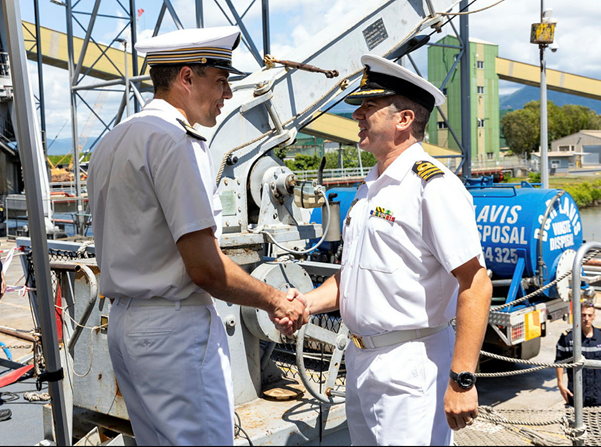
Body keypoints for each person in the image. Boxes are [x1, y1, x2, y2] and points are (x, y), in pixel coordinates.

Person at [87, 27, 308, 446]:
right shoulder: (176, 142)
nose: (227, 95)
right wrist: (277, 298)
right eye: (221, 81)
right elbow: (206, 268)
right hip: (174, 333)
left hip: (125, 325)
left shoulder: (113, 141)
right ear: (187, 78)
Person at [299, 54, 492, 446]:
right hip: (360, 360)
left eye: (369, 107)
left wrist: (462, 379)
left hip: (410, 365)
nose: (357, 116)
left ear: (403, 120)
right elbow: (352, 275)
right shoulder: (369, 187)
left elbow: (475, 284)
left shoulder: (431, 187)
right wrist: (305, 303)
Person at [556, 301, 601, 407]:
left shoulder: (600, 336)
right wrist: (560, 384)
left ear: (594, 316)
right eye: (583, 315)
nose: (586, 318)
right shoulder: (568, 338)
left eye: (589, 315)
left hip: (598, 394)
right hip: (577, 395)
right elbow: (559, 362)